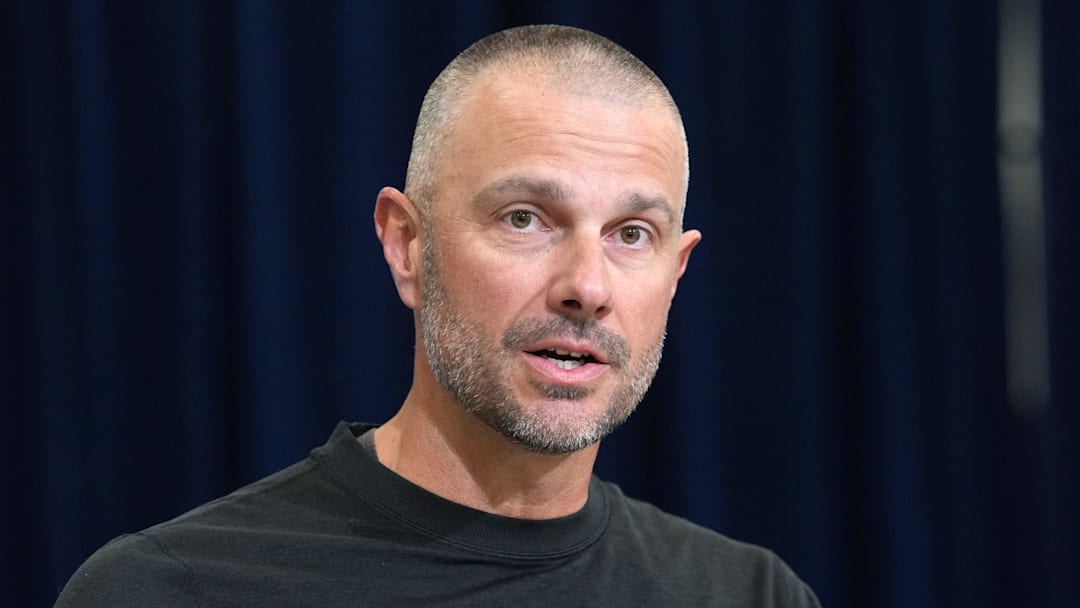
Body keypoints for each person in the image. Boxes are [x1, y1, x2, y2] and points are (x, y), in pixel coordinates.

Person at [56, 24, 820, 606]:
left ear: (676, 273)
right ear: (406, 245)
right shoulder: (173, 590)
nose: (587, 287)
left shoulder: (751, 594)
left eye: (631, 234)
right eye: (526, 218)